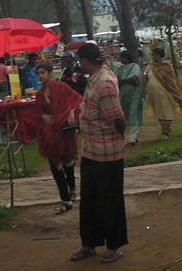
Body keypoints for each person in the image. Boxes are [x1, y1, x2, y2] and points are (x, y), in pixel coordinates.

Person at [69, 42, 127, 264]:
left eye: (80, 61)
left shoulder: (104, 83)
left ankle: (113, 245)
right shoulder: (94, 80)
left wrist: (118, 137)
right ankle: (89, 243)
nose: (79, 64)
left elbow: (117, 117)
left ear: (85, 61)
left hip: (107, 153)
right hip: (91, 151)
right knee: (90, 199)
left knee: (109, 199)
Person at [34, 62, 83, 214]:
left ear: (50, 73)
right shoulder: (40, 95)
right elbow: (37, 112)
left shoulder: (62, 88)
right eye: (39, 73)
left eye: (43, 72)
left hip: (64, 129)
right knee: (56, 164)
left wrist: (70, 113)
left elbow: (78, 99)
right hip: (50, 133)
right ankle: (66, 198)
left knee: (68, 160)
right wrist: (44, 116)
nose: (41, 76)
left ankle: (72, 188)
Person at [142, 48, 182, 139]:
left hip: (166, 93)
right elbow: (146, 78)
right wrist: (143, 92)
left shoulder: (167, 66)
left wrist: (174, 91)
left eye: (154, 54)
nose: (152, 56)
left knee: (166, 112)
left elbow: (171, 80)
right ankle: (165, 128)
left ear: (159, 55)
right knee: (159, 112)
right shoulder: (150, 66)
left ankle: (165, 132)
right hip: (153, 94)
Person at [115, 50, 142, 145]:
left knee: (133, 113)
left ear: (126, 58)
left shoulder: (135, 67)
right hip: (123, 94)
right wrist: (126, 81)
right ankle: (134, 134)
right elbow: (117, 80)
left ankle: (132, 137)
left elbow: (134, 79)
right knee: (125, 114)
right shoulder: (121, 68)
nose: (119, 59)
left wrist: (123, 81)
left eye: (121, 57)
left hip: (134, 93)